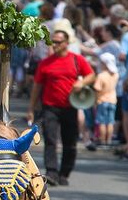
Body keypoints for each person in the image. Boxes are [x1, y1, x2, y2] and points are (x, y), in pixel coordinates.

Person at [28, 29, 95, 185]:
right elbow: (37, 86)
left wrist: (82, 82)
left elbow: (91, 75)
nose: (54, 44)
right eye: (52, 41)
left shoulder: (77, 60)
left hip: (70, 106)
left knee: (69, 141)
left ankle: (64, 173)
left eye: (58, 42)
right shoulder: (45, 63)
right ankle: (51, 172)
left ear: (66, 43)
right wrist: (31, 108)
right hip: (50, 106)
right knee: (50, 139)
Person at [92, 52, 119, 148]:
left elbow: (97, 90)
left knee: (102, 121)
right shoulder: (115, 74)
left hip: (102, 100)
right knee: (110, 121)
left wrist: (95, 101)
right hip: (113, 100)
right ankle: (109, 140)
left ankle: (102, 140)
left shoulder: (101, 76)